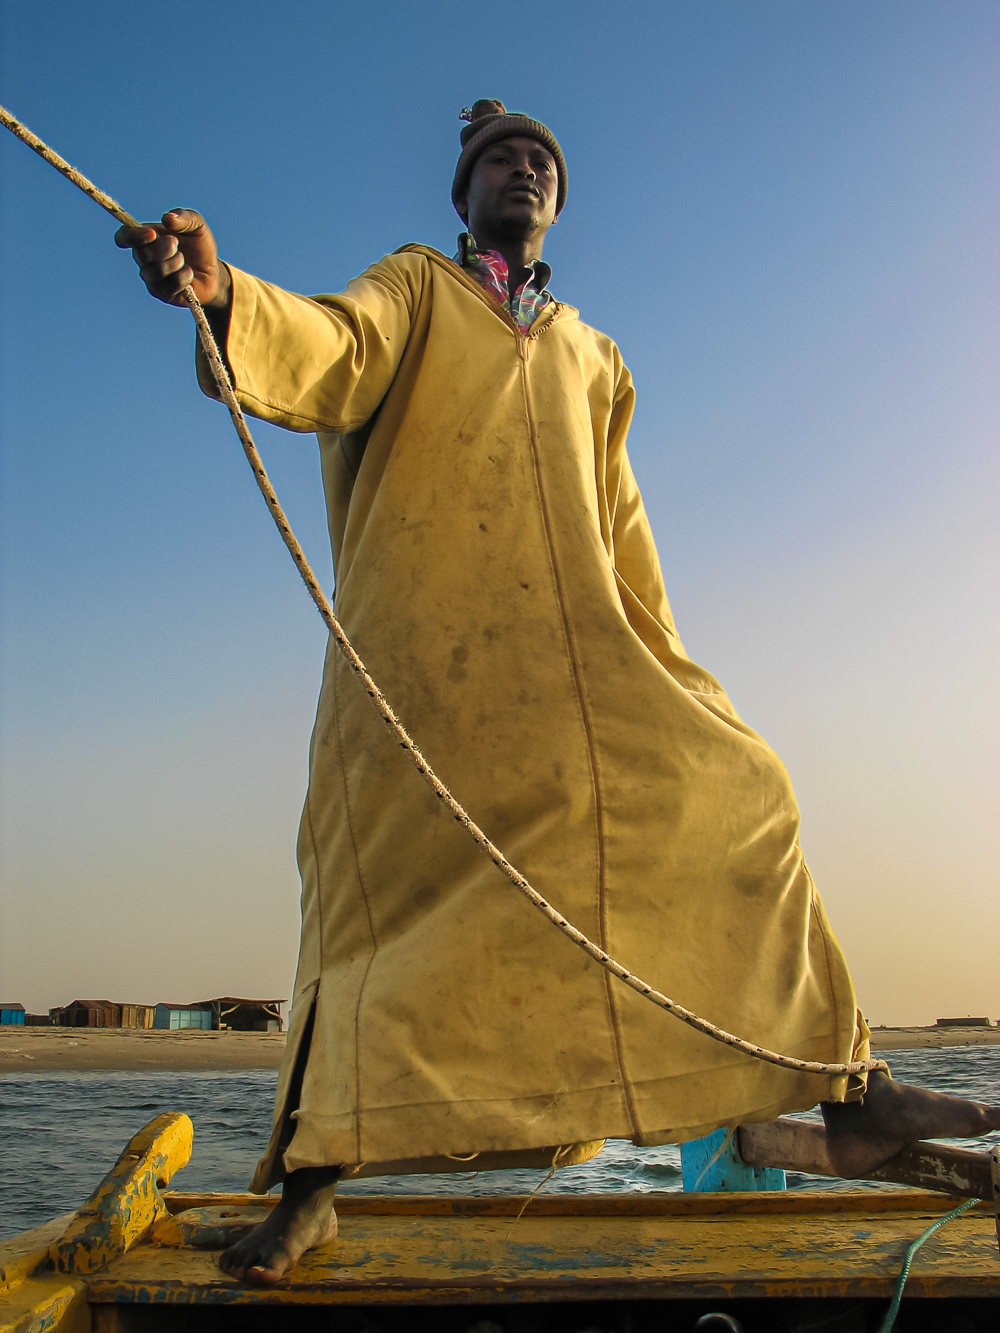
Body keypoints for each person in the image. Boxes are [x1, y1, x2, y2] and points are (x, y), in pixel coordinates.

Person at [117, 100, 999, 1285]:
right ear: (463, 196)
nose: (521, 170)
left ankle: (852, 1092)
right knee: (378, 912)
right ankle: (315, 1187)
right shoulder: (417, 287)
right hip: (422, 668)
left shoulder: (592, 352)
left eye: (539, 161)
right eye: (498, 160)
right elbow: (328, 346)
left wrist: (667, 667)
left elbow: (621, 529)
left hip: (583, 665)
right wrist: (223, 297)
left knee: (746, 795)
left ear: (558, 202)